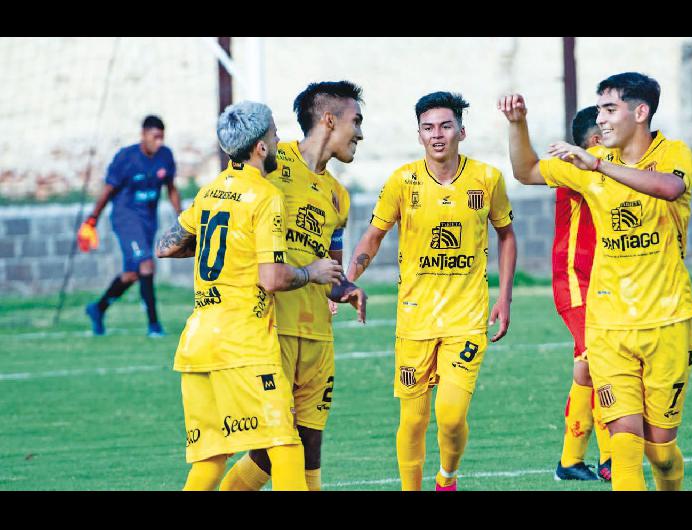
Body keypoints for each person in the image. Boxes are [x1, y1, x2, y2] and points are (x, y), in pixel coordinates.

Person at [498, 72, 692, 491]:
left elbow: (668, 187)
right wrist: (518, 124)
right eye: (600, 110)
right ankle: (576, 458)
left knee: (660, 454)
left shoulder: (673, 153)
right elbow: (527, 170)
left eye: (610, 110)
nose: (601, 120)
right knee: (624, 451)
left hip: (667, 322)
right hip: (607, 327)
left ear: (640, 112)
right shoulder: (588, 167)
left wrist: (600, 166)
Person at [156, 100, 344, 491]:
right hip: (242, 345)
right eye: (274, 136)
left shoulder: (210, 193)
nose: (278, 142)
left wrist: (231, 248)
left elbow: (167, 246)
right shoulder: (264, 196)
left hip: (197, 344)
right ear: (260, 147)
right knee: (287, 447)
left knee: (210, 461)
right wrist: (312, 272)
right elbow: (272, 278)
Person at [347, 91, 517, 491]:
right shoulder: (402, 181)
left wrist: (505, 296)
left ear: (462, 130)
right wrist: (348, 278)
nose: (437, 135)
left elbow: (507, 236)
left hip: (467, 317)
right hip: (414, 319)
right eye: (428, 128)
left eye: (445, 126)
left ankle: (447, 477)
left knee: (452, 414)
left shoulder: (487, 178)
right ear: (419, 135)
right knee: (413, 420)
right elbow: (372, 237)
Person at [220, 81, 367, 492]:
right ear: (328, 119)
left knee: (309, 445)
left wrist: (346, 288)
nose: (359, 133)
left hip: (317, 334)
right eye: (355, 121)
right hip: (269, 329)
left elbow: (331, 272)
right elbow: (228, 209)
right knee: (277, 447)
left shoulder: (339, 197)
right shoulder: (269, 159)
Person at [552, 106, 611, 482]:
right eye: (607, 130)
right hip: (576, 279)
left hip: (603, 282)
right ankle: (610, 459)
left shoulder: (603, 167)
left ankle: (571, 462)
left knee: (588, 366)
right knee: (602, 361)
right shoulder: (578, 167)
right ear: (593, 142)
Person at [81, 115, 181, 337]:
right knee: (146, 264)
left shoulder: (165, 156)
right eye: (155, 137)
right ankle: (154, 326)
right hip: (126, 218)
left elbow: (171, 188)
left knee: (133, 274)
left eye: (162, 137)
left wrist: (182, 216)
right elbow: (108, 190)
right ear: (143, 135)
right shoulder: (126, 158)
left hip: (148, 221)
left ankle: (98, 309)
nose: (159, 142)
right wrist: (92, 219)